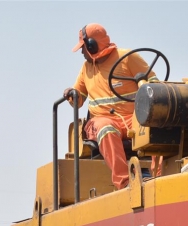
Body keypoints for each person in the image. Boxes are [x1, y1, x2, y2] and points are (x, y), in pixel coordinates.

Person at [64, 23, 158, 189]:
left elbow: (153, 84)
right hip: (101, 120)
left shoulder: (127, 57)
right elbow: (79, 98)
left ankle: (158, 176)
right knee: (106, 128)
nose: (82, 52)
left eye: (83, 47)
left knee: (156, 125)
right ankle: (125, 182)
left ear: (92, 46)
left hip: (132, 119)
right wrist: (72, 94)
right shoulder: (86, 68)